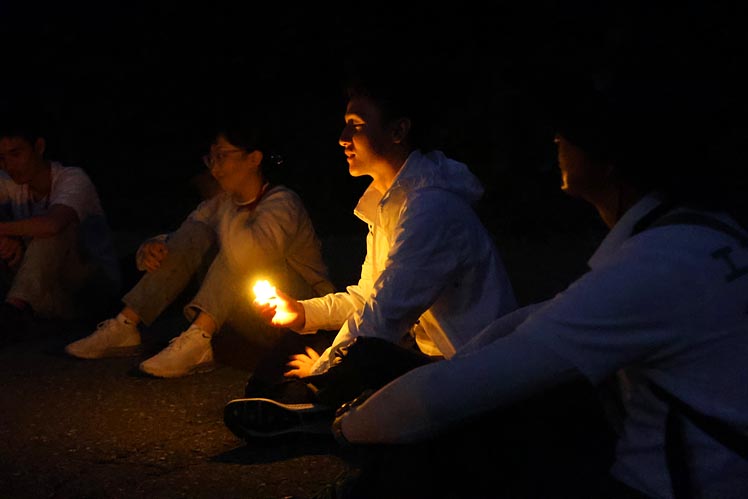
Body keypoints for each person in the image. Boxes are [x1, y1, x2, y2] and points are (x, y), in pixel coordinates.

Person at [324, 74, 748, 499]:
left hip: (662, 483)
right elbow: (536, 318)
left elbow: (440, 397)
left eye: (568, 130)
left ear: (610, 153)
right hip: (696, 466)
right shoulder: (703, 236)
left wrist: (347, 424)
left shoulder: (655, 265)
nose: (556, 141)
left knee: (437, 452)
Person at [223, 63, 518, 439]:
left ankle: (321, 415)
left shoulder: (431, 209)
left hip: (471, 371)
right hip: (436, 363)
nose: (343, 137)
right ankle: (329, 410)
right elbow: (367, 297)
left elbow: (384, 314)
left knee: (355, 359)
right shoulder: (391, 205)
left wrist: (327, 370)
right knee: (281, 368)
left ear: (398, 131)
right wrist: (301, 312)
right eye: (346, 123)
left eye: (357, 125)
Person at [64, 109, 336, 378]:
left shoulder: (282, 202)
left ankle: (199, 337)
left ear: (253, 159)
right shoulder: (221, 202)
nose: (214, 168)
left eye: (223, 157)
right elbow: (184, 237)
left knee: (240, 251)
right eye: (212, 157)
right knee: (198, 232)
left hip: (299, 314)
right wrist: (153, 246)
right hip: (251, 311)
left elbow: (248, 256)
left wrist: (226, 203)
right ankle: (125, 325)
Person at [0, 112, 121, 344]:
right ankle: (16, 312)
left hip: (88, 290)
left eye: (16, 154)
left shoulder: (72, 179)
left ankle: (13, 312)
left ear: (39, 147)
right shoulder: (9, 182)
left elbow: (52, 224)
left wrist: (6, 231)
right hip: (47, 292)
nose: (9, 165)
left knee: (54, 230)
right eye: (2, 158)